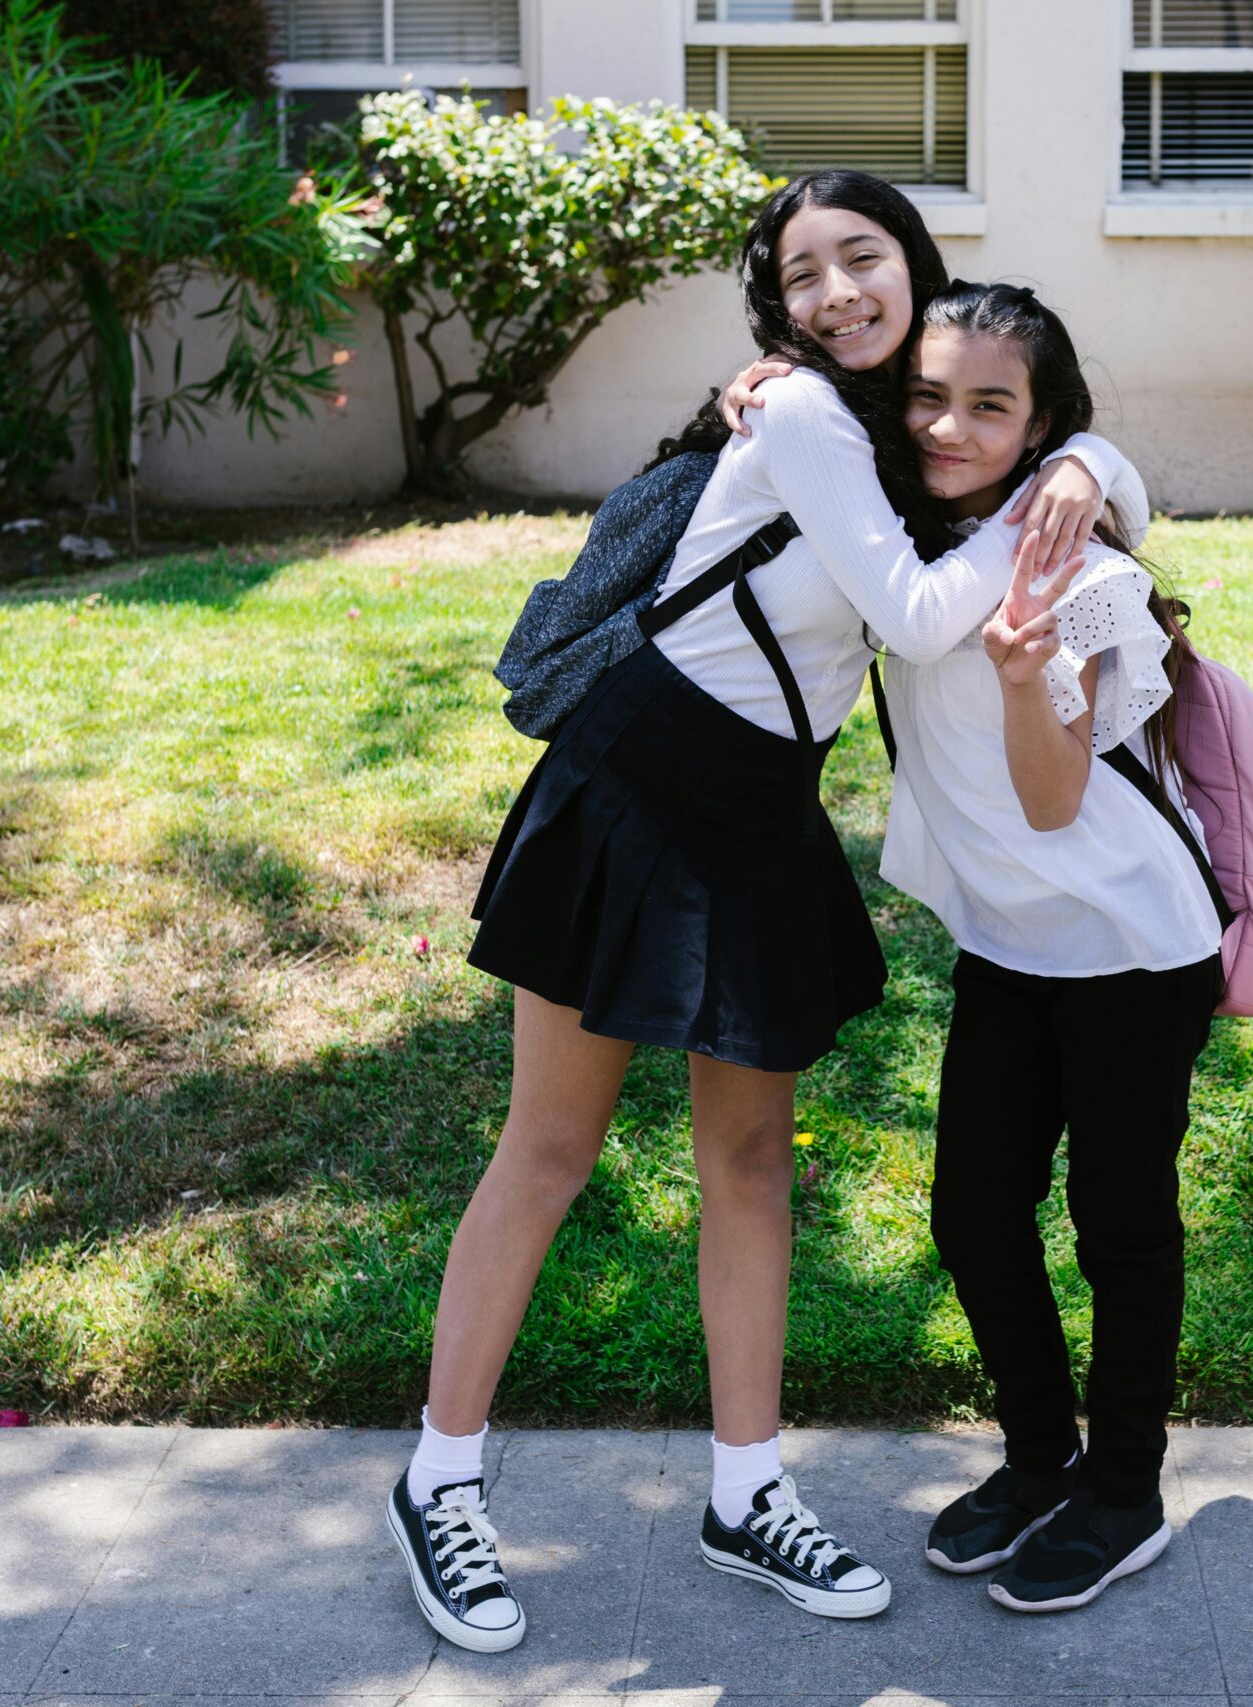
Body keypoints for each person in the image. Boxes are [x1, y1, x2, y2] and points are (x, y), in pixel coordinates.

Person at [386, 172, 1148, 1650]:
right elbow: (929, 618)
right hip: (641, 779)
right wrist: (1075, 484)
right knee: (549, 1148)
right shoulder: (800, 415)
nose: (835, 293)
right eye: (801, 276)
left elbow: (1025, 424)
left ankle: (747, 1494)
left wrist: (1091, 458)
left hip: (762, 812)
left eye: (862, 259)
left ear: (918, 271)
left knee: (747, 1163)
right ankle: (441, 1483)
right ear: (775, 307)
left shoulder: (904, 430)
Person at [875, 282, 1224, 1614]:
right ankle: (1039, 1457)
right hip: (1012, 948)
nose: (949, 425)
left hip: (1130, 948)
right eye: (928, 396)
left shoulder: (1082, 577)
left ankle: (1124, 1493)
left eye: (990, 405)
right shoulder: (905, 542)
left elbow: (1054, 798)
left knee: (1118, 1225)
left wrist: (1026, 678)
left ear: (1041, 423)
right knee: (973, 1213)